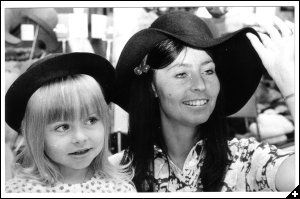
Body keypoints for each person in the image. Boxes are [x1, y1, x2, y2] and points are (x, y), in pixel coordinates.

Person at [112, 11, 295, 192]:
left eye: (208, 71)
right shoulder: (117, 174)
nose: (200, 85)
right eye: (181, 74)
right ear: (153, 86)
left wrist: (290, 83)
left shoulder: (245, 161)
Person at [5, 52, 136, 193]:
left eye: (91, 120)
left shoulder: (120, 189)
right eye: (62, 127)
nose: (80, 138)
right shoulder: (17, 191)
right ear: (36, 135)